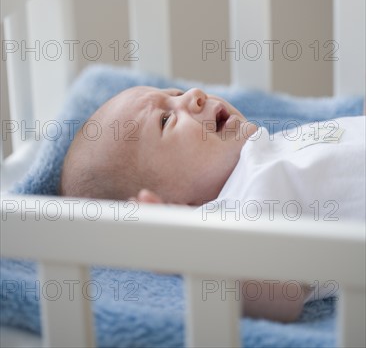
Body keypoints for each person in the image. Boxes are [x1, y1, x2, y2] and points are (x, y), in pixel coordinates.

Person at [59, 86, 365, 322]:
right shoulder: (233, 214)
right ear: (169, 204)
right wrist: (184, 246)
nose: (194, 95)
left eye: (176, 94)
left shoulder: (263, 149)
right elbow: (281, 296)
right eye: (166, 120)